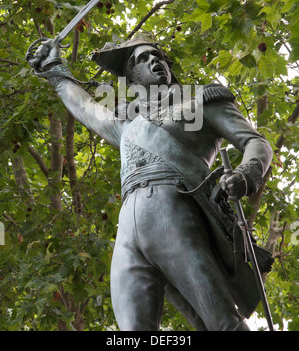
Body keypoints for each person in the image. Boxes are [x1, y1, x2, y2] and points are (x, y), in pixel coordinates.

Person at [27, 34, 273, 331]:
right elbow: (83, 106)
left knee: (221, 323)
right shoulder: (125, 124)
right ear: (131, 76)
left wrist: (246, 174)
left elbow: (255, 142)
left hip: (176, 212)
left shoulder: (202, 100)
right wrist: (54, 66)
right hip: (127, 230)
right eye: (142, 59)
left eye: (157, 56)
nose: (154, 61)